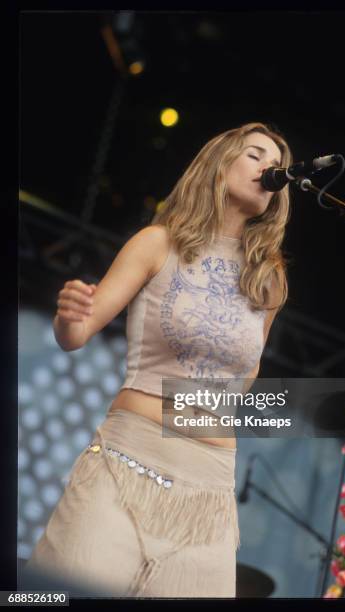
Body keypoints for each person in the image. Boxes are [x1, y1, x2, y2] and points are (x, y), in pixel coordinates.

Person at [24, 122, 293, 598]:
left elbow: (245, 378)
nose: (271, 168)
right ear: (219, 163)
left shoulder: (268, 279)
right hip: (130, 461)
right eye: (255, 155)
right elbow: (77, 334)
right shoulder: (157, 243)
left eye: (278, 165)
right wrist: (70, 315)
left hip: (209, 489)